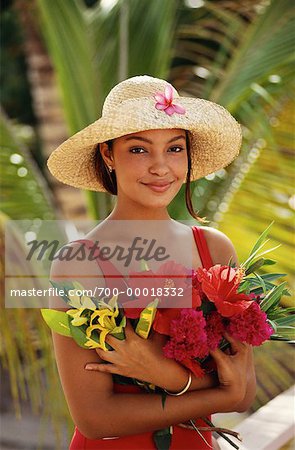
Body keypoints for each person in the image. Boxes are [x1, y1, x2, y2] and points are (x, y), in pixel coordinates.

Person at [47, 75, 256, 449]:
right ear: (108, 154)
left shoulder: (215, 250)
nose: (161, 167)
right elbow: (95, 418)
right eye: (140, 150)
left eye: (174, 149)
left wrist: (167, 375)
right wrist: (218, 392)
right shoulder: (80, 262)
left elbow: (245, 392)